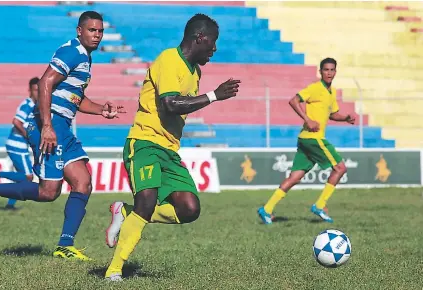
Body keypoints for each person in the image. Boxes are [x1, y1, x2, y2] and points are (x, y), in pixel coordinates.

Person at [0, 11, 125, 261]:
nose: (97, 35)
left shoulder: (85, 57)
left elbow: (75, 98)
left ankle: (64, 245)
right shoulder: (72, 51)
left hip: (63, 126)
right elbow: (44, 83)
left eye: (100, 31)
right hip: (50, 125)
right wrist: (47, 125)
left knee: (83, 182)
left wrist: (101, 109)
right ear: (79, 31)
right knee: (49, 191)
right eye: (92, 30)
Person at [103, 13, 241, 282]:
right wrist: (214, 96)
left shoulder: (195, 72)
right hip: (144, 142)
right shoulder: (169, 60)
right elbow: (170, 104)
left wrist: (208, 96)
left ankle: (126, 213)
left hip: (169, 149)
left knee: (189, 209)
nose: (215, 49)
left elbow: (182, 105)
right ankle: (114, 271)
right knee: (147, 201)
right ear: (199, 38)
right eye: (212, 42)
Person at [257, 57, 356, 225]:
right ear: (321, 71)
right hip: (313, 138)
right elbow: (293, 100)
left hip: (305, 140)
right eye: (326, 70)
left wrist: (345, 117)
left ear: (335, 72)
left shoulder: (331, 92)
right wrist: (307, 119)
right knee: (340, 168)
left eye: (332, 70)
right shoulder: (316, 88)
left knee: (295, 177)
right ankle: (320, 205)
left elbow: (332, 114)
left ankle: (266, 209)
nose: (329, 73)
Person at [0, 77, 39, 210]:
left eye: (39, 90)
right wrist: (29, 137)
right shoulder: (28, 105)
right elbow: (16, 121)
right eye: (35, 90)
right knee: (28, 177)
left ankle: (10, 205)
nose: (38, 93)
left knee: (22, 178)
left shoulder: (34, 106)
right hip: (17, 145)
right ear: (30, 91)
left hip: (19, 145)